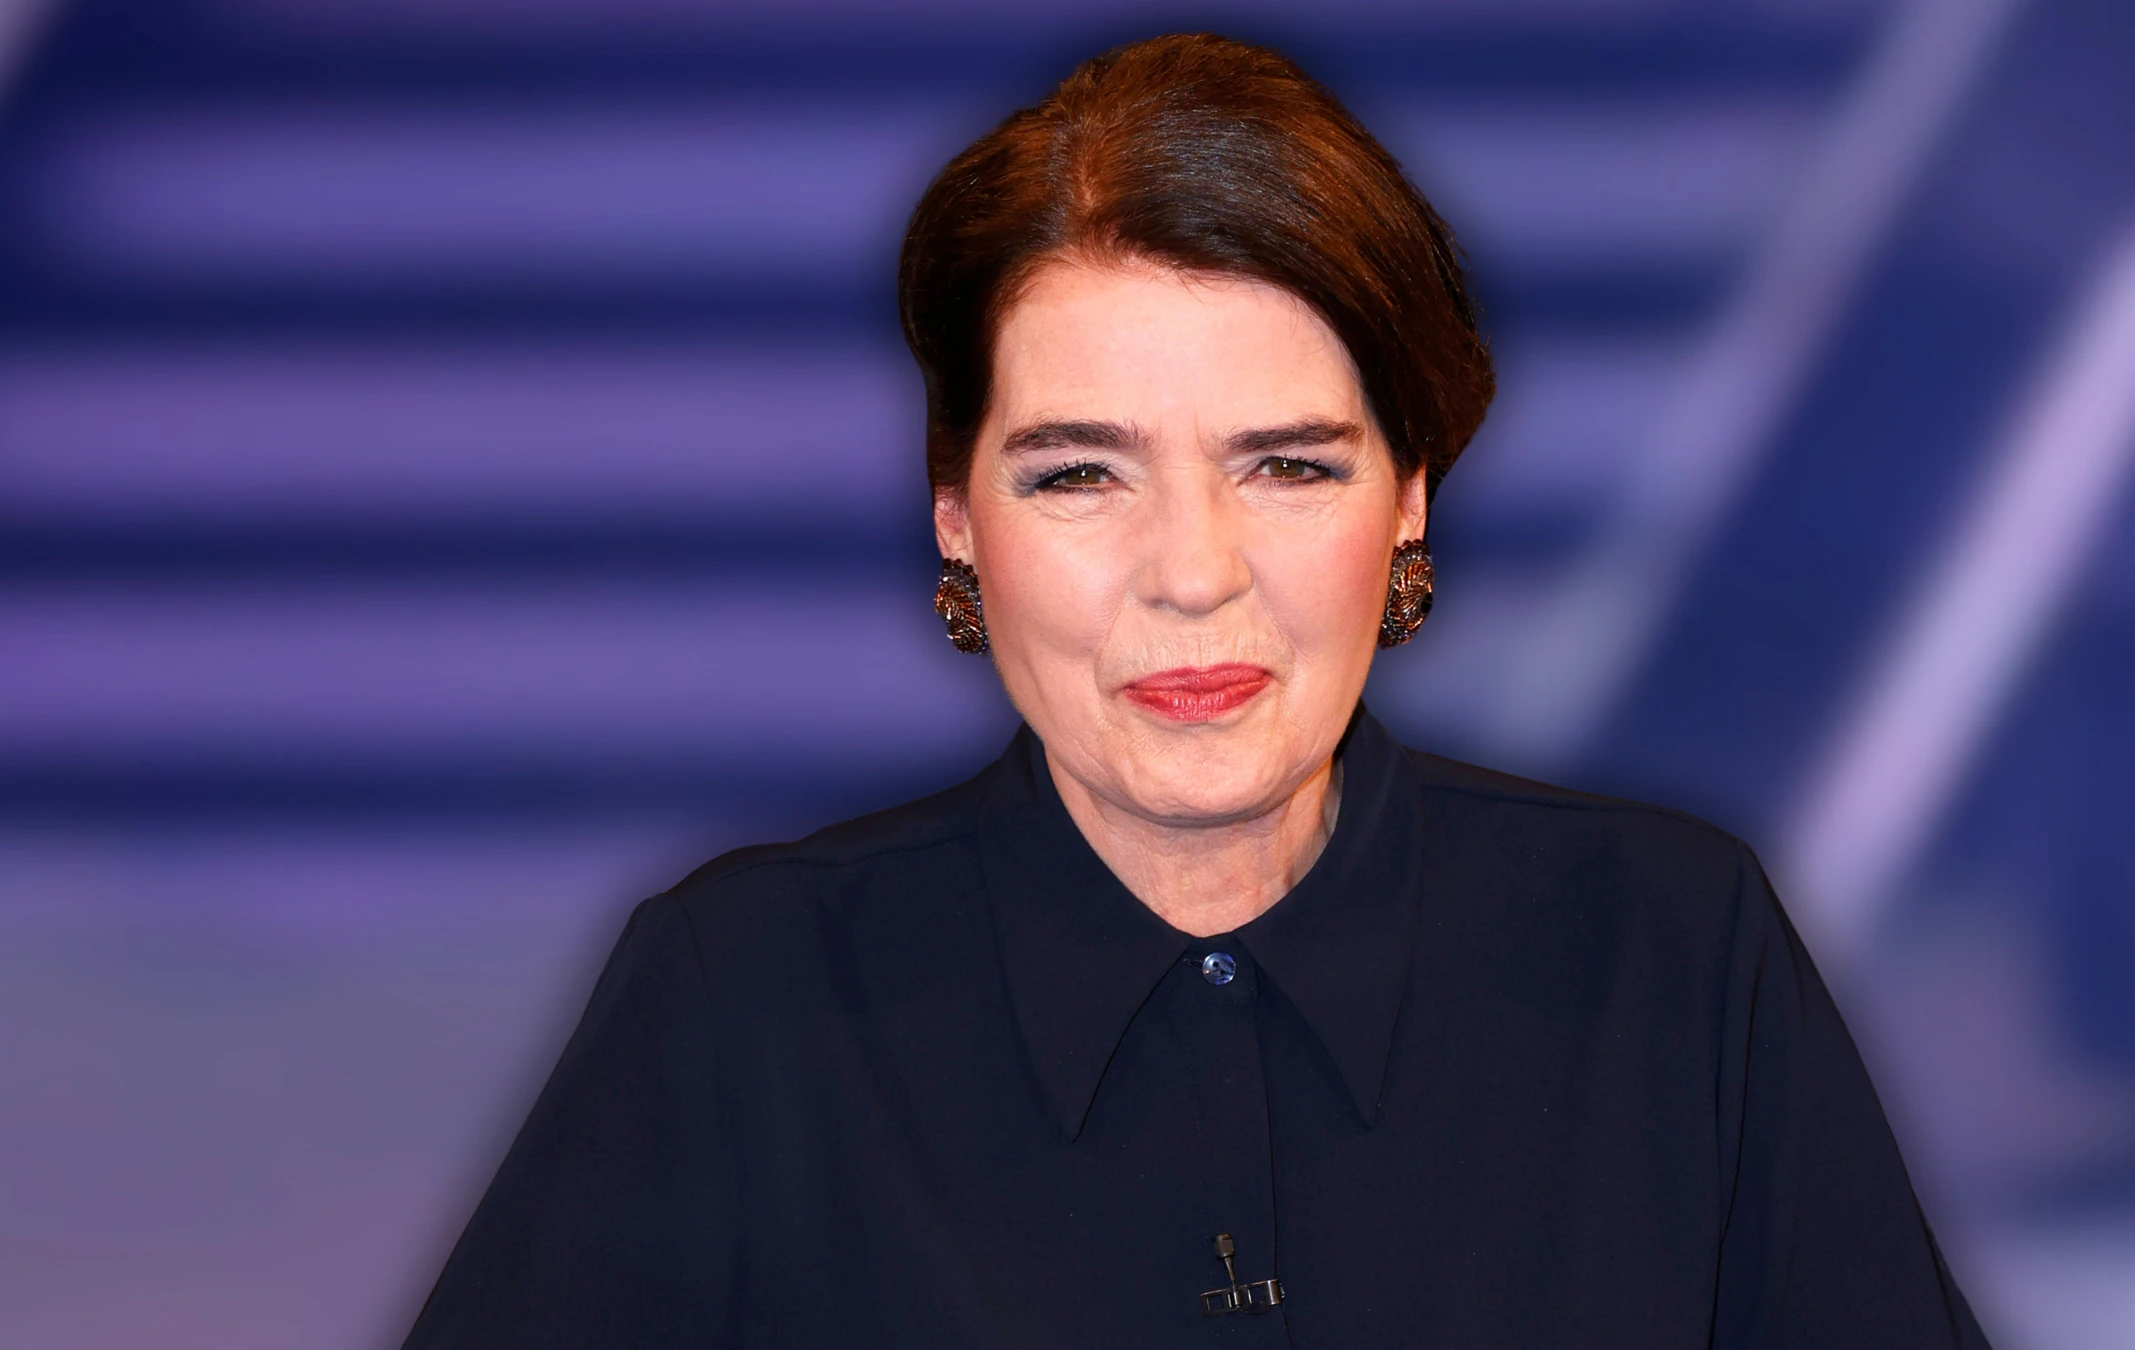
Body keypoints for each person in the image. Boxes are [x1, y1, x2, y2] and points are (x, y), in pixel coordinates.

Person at [403, 33, 1989, 1349]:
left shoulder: (1676, 956)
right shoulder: (740, 994)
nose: (1192, 573)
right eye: (1080, 474)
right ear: (956, 515)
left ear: (1410, 497)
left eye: (1288, 465)